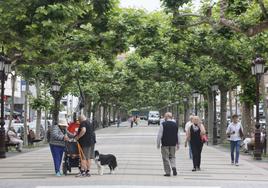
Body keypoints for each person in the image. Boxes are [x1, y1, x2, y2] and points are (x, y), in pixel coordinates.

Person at [157, 112, 180, 176]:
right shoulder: (175, 125)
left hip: (165, 143)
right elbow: (178, 135)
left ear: (166, 117)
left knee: (165, 157)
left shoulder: (163, 124)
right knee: (172, 156)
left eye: (165, 116)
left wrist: (158, 144)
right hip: (173, 143)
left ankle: (168, 172)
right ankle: (173, 166)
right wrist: (178, 144)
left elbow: (159, 135)